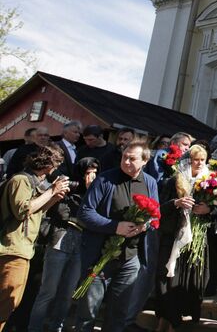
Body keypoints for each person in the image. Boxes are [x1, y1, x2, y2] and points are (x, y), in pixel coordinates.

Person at [74, 141, 159, 332]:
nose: (126, 161)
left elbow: (155, 215)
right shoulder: (105, 180)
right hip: (99, 256)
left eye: (132, 158)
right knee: (88, 312)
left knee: (119, 313)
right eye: (124, 157)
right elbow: (85, 213)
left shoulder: (150, 182)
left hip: (131, 258)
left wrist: (144, 226)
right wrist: (114, 227)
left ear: (145, 161)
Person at [0, 146, 70, 331]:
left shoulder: (32, 182)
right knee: (6, 301)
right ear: (48, 164)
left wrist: (54, 198)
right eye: (56, 165)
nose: (56, 170)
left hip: (22, 250)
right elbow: (23, 210)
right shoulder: (21, 180)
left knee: (10, 303)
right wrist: (51, 191)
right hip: (11, 249)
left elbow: (36, 211)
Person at [155, 145, 217, 332]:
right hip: (174, 235)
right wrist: (177, 203)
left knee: (189, 280)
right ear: (188, 160)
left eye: (202, 160)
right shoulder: (175, 180)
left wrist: (209, 209)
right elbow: (160, 206)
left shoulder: (211, 180)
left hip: (197, 238)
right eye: (195, 159)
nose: (199, 163)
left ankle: (176, 319)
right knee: (167, 278)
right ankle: (166, 318)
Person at [28, 157, 99, 332]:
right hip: (60, 241)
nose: (91, 176)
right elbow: (63, 213)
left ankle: (56, 327)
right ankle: (34, 328)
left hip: (81, 246)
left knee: (67, 294)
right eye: (88, 172)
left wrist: (91, 192)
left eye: (95, 172)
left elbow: (94, 218)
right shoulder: (68, 186)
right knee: (48, 291)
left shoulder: (97, 193)